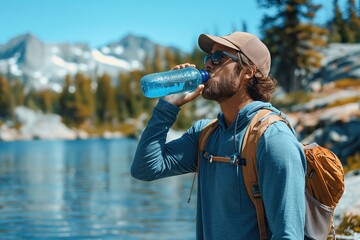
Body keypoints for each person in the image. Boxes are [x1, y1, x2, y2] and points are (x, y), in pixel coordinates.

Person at [131, 32, 306, 239]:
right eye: (207, 58)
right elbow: (146, 168)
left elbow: (289, 234)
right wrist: (167, 105)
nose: (208, 65)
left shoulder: (273, 139)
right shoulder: (205, 134)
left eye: (218, 58)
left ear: (248, 72)